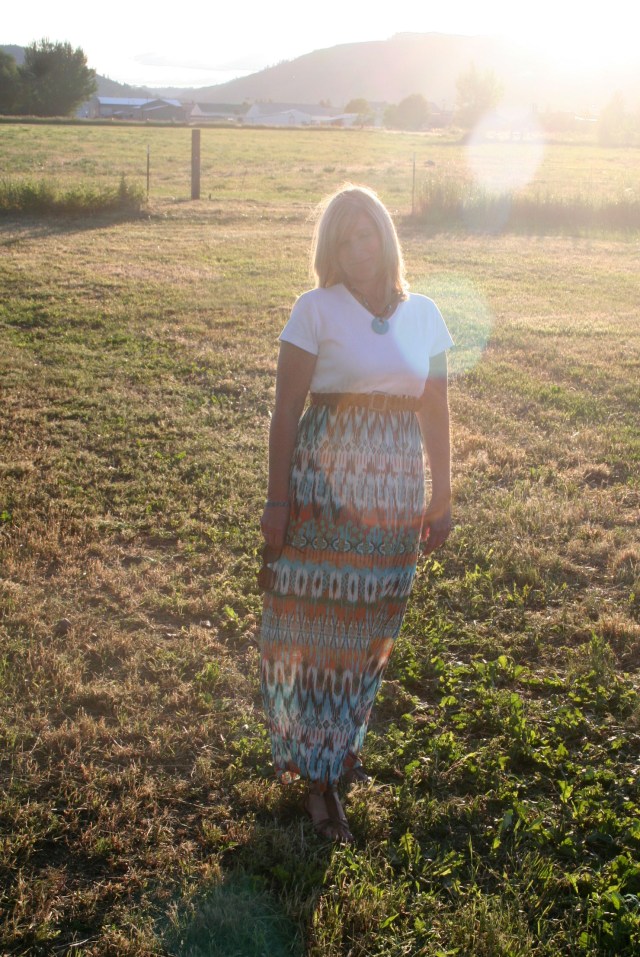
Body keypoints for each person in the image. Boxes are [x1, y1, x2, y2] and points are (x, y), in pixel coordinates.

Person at [259, 184, 453, 843]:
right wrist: (277, 502)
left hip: (395, 494)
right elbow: (286, 411)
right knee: (323, 629)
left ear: (385, 237)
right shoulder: (314, 309)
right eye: (344, 240)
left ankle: (339, 742)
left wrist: (443, 495)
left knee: (371, 629)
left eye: (365, 234)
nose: (358, 249)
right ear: (331, 251)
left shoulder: (424, 313)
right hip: (325, 493)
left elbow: (436, 409)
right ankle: (320, 782)